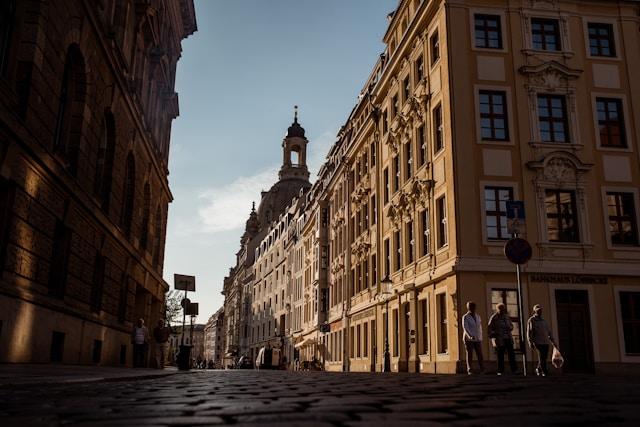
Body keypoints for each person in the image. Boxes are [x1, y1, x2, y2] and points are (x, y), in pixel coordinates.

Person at [488, 303, 518, 375]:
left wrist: (510, 327)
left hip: (508, 338)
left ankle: (514, 370)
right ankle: (500, 371)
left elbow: (511, 326)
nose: (502, 311)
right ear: (497, 309)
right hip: (500, 339)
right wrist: (494, 334)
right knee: (500, 355)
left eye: (503, 309)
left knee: (511, 354)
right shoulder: (494, 317)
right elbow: (489, 328)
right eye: (500, 309)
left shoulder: (506, 317)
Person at [527, 304, 555, 376]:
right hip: (538, 341)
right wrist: (530, 341)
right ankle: (544, 371)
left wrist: (552, 341)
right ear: (535, 311)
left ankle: (538, 369)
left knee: (544, 357)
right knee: (541, 356)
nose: (540, 312)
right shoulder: (532, 320)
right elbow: (529, 332)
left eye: (541, 310)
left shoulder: (544, 321)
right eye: (538, 310)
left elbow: (548, 331)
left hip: (545, 341)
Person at [462, 301, 484, 374]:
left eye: (473, 307)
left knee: (480, 354)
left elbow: (479, 327)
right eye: (470, 307)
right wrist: (469, 336)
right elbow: (465, 327)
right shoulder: (465, 317)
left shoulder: (478, 316)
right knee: (470, 354)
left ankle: (482, 369)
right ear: (468, 308)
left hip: (477, 338)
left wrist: (480, 336)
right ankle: (470, 369)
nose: (472, 308)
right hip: (469, 339)